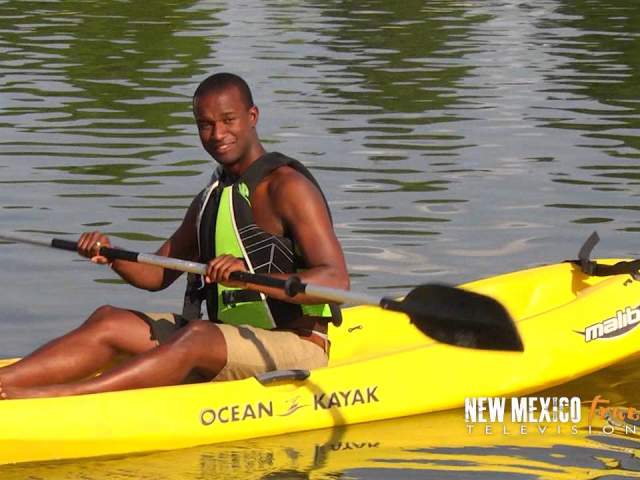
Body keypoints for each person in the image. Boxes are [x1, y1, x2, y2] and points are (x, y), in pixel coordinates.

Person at [0, 73, 349, 399]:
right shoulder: (211, 197)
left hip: (295, 343)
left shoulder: (288, 186)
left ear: (252, 116)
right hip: (225, 338)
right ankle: (5, 385)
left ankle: (52, 399)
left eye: (228, 120)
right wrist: (112, 255)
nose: (217, 134)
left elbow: (335, 280)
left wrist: (252, 279)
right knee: (109, 320)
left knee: (196, 336)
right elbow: (157, 274)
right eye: (205, 125)